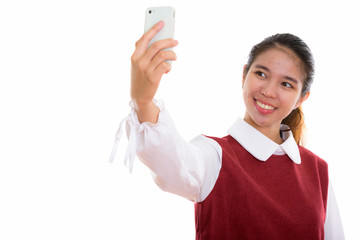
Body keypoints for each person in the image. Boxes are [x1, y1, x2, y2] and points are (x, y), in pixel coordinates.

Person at [110, 20, 345, 239]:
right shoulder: (214, 156)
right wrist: (143, 101)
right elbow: (170, 160)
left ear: (301, 98)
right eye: (261, 74)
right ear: (244, 75)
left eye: (286, 84)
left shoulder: (317, 170)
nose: (269, 91)